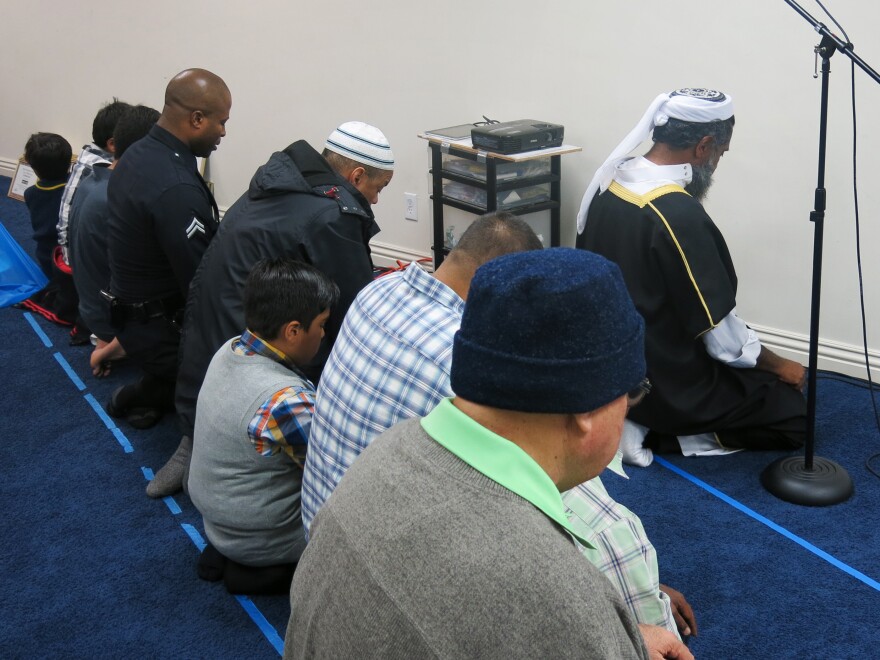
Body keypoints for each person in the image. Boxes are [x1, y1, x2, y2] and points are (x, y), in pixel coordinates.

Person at [301, 214, 694, 639]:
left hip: (325, 547)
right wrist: (635, 599)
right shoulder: (461, 367)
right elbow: (602, 533)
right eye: (630, 393)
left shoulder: (376, 291)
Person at [147, 121, 393, 498]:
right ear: (357, 175)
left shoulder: (276, 180)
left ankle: (195, 443)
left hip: (207, 352)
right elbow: (353, 310)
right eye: (379, 188)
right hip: (257, 366)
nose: (375, 200)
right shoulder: (332, 214)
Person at [576, 87, 807, 466]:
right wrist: (781, 365)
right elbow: (721, 340)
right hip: (661, 381)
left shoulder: (613, 181)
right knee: (794, 414)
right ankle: (652, 433)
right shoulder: (675, 214)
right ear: (703, 147)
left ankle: (625, 412)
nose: (717, 164)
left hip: (608, 366)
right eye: (720, 153)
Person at [301, 211, 543, 533]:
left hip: (315, 523)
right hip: (369, 562)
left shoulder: (375, 290)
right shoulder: (466, 358)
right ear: (508, 288)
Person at [188, 257, 339, 596]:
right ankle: (262, 566)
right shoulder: (285, 401)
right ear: (293, 331)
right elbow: (332, 473)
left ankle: (233, 554)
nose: (324, 334)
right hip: (261, 538)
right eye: (322, 324)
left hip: (217, 519)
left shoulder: (230, 349)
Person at [105, 68, 231, 430]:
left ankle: (157, 385)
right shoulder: (175, 186)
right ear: (196, 118)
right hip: (162, 333)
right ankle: (159, 388)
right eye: (220, 122)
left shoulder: (137, 153)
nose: (223, 131)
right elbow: (201, 284)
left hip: (131, 318)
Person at [68, 105, 161, 377]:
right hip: (110, 320)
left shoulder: (93, 180)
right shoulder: (121, 197)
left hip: (89, 309)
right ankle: (116, 347)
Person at [58, 98, 132, 265]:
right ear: (112, 144)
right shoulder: (99, 168)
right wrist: (69, 256)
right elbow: (66, 218)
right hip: (78, 257)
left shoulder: (89, 154)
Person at [22, 133, 72, 279]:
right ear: (70, 162)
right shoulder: (73, 194)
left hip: (44, 255)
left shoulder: (29, 193)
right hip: (67, 258)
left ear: (32, 166)